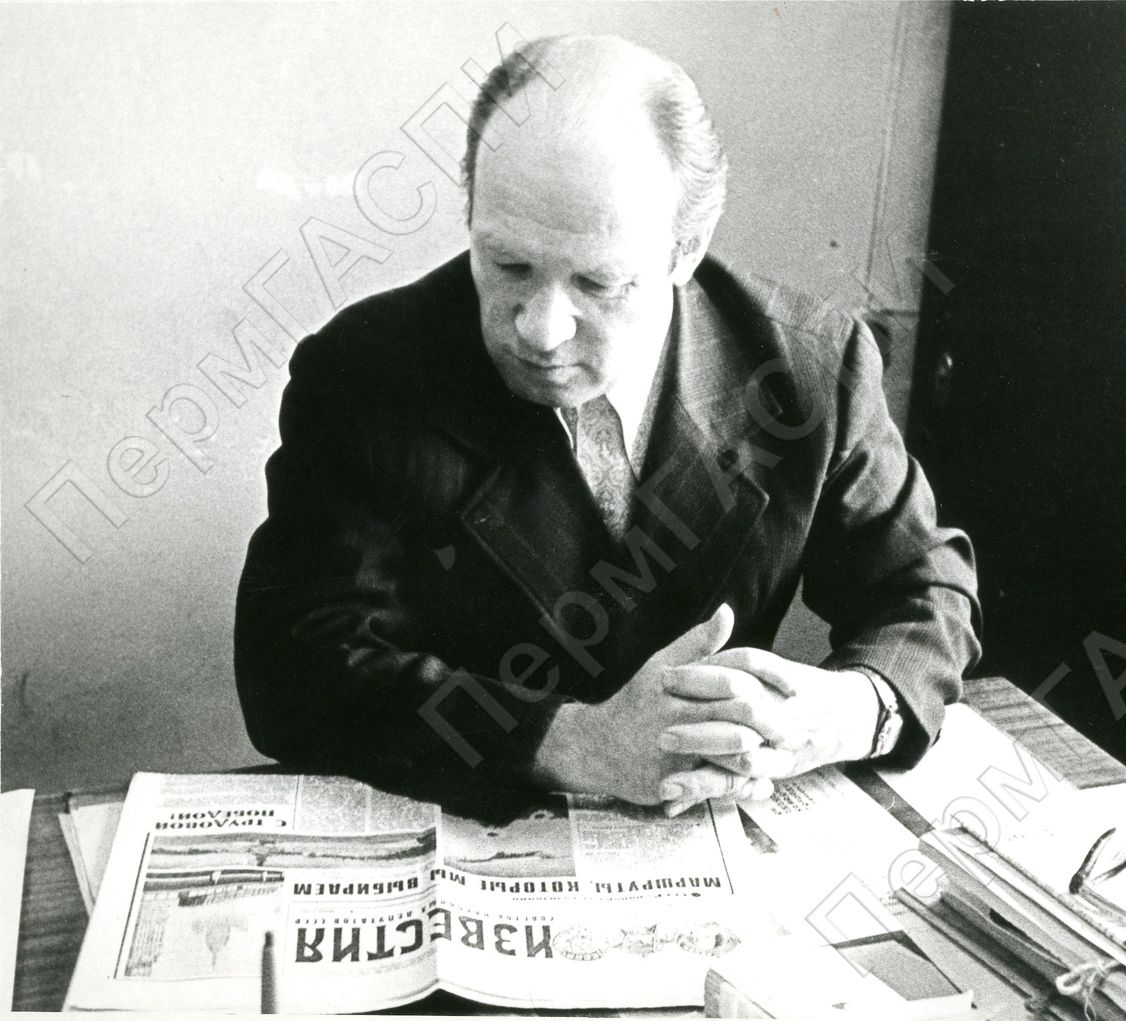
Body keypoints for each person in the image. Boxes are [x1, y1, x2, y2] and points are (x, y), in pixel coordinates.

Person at [234, 34, 980, 816]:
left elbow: (926, 588)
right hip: (470, 814)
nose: (540, 329)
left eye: (598, 282)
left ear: (684, 250)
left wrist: (846, 711)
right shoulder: (364, 371)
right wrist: (566, 741)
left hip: (709, 821)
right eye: (507, 264)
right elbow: (295, 672)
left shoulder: (808, 366)